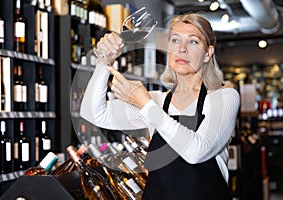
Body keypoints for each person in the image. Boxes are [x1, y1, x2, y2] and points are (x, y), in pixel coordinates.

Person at [80, 12, 240, 200]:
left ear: (208, 53)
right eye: (175, 41)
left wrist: (145, 104)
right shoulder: (157, 101)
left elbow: (196, 152)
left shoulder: (223, 98)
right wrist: (104, 62)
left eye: (193, 41)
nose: (182, 49)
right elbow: (93, 113)